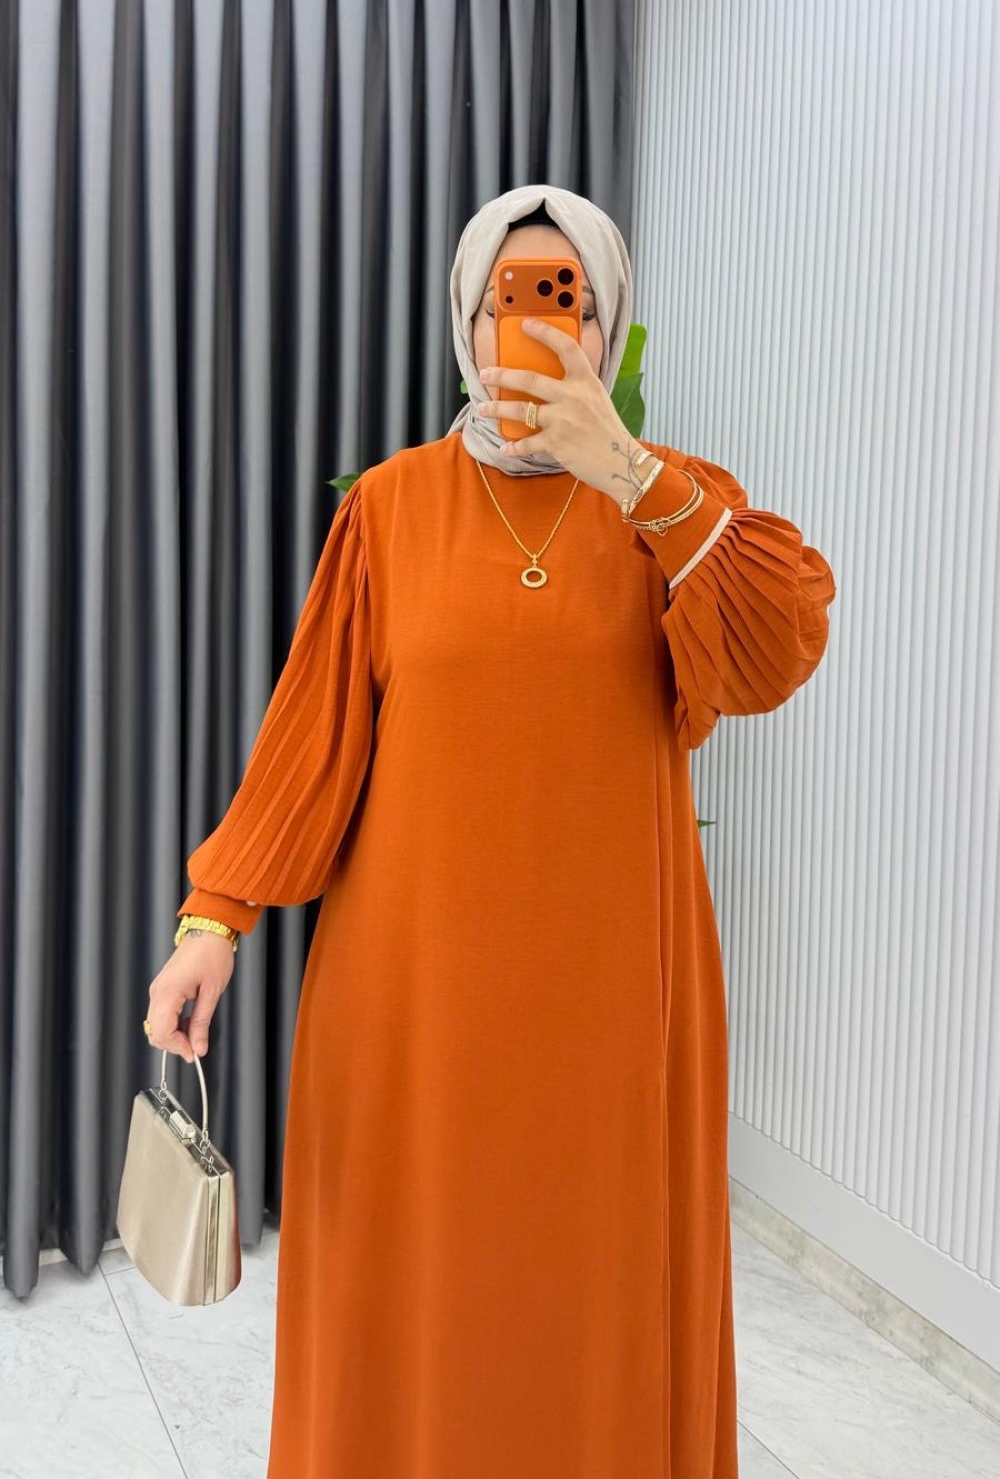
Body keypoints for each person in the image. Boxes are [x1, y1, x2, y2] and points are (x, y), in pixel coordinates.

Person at [145, 184, 836, 1477]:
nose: (536, 326)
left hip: (614, 1006)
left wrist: (634, 476)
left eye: (567, 299)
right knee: (420, 1302)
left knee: (590, 1298)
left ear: (609, 323)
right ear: (466, 322)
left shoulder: (679, 508)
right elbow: (310, 741)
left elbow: (776, 648)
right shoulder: (390, 508)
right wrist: (212, 919)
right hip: (411, 1007)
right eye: (507, 299)